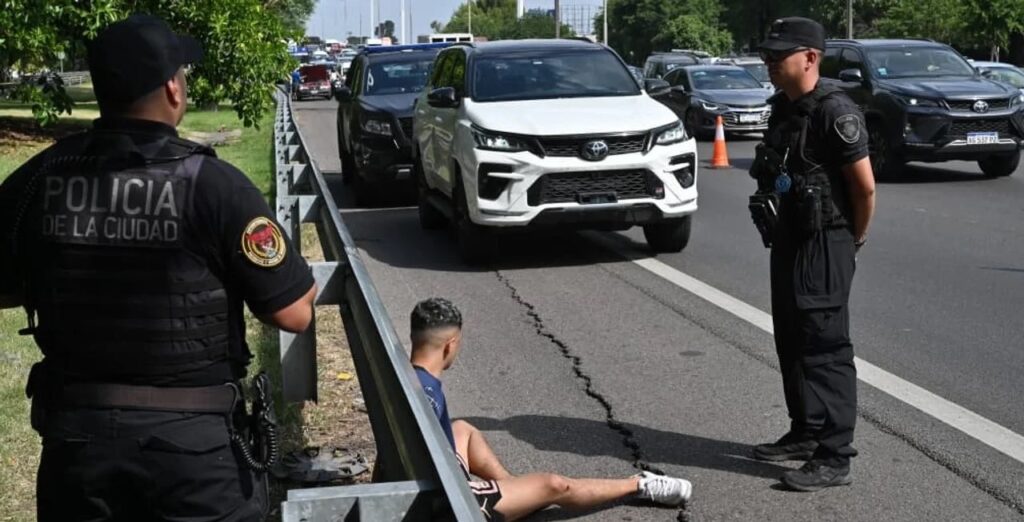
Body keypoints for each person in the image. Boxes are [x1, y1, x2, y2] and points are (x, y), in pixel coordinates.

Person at [0, 14, 317, 521]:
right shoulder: (215, 185)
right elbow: (294, 312)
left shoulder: (42, 176)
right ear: (173, 87)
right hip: (196, 459)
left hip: (78, 451)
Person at [408, 298, 692, 521]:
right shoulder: (429, 396)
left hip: (423, 477)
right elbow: (440, 487)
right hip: (446, 502)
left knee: (463, 430)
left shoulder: (407, 377)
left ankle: (517, 491)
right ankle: (639, 485)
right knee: (555, 485)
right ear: (451, 344)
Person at [748, 17, 875, 492]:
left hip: (826, 240)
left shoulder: (834, 112)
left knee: (825, 348)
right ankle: (806, 431)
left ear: (810, 57)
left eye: (778, 57)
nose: (770, 66)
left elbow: (864, 188)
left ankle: (834, 455)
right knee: (792, 339)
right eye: (767, 57)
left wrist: (853, 242)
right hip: (790, 238)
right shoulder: (785, 108)